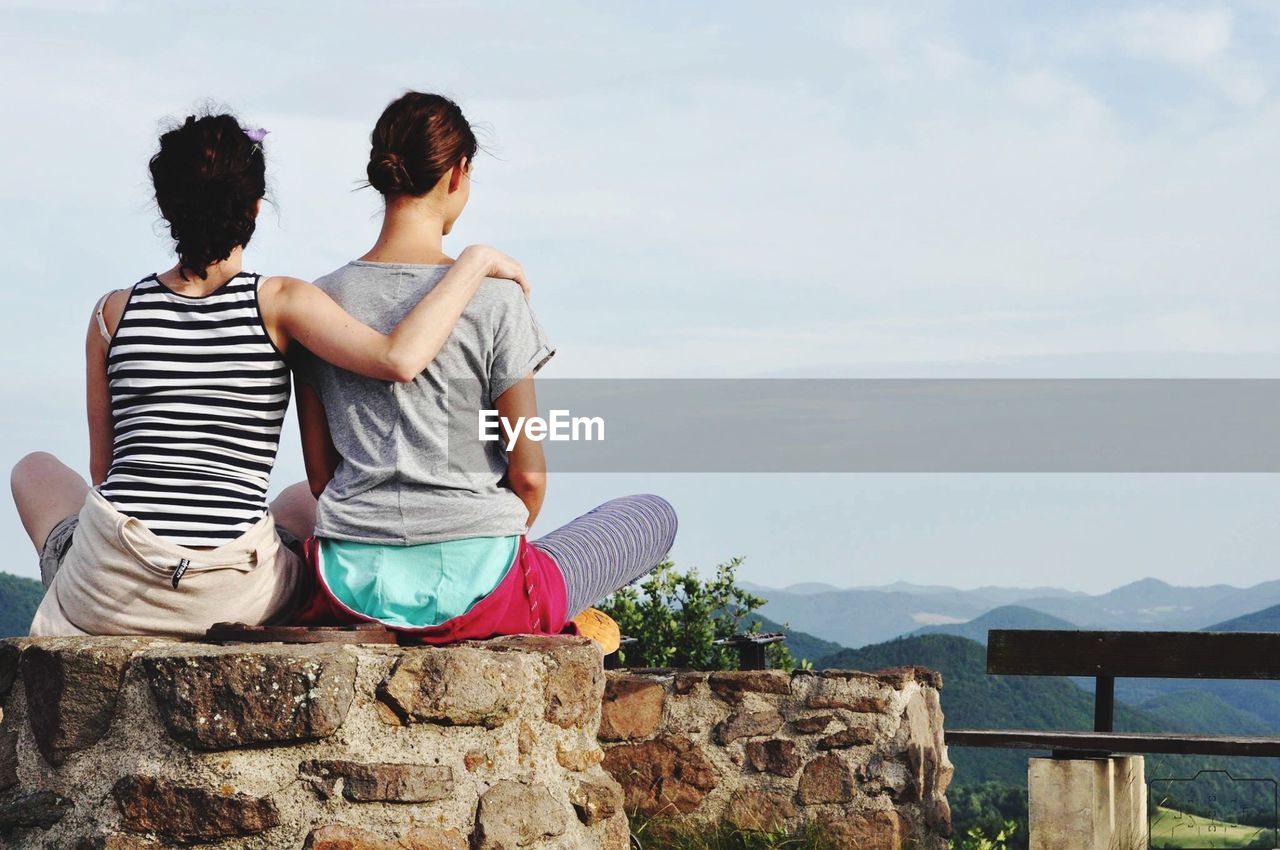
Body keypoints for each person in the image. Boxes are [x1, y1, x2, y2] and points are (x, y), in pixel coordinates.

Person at [11, 111, 531, 638]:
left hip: (108, 588)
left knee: (33, 467)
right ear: (255, 207)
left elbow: (105, 470)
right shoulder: (281, 302)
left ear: (167, 206)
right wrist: (474, 262)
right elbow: (398, 359)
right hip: (232, 594)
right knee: (304, 500)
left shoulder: (111, 314)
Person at [292, 91, 677, 643]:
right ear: (458, 173)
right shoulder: (495, 300)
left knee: (289, 506)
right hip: (479, 595)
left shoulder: (317, 304)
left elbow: (322, 478)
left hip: (348, 590)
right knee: (649, 515)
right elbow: (527, 477)